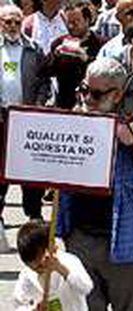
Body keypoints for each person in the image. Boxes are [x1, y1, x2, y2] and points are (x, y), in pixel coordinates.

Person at [57, 57, 133, 311]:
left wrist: (132, 143)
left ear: (118, 94)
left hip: (128, 242)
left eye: (96, 94)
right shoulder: (73, 123)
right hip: (81, 238)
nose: (88, 99)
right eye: (84, 90)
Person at [0, 4, 51, 226]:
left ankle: (34, 213)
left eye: (16, 22)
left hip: (27, 117)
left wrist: (37, 106)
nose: (12, 26)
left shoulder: (34, 48)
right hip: (1, 117)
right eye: (7, 21)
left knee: (30, 167)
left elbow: (44, 82)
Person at [13, 221, 93, 311]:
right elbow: (19, 303)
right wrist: (33, 309)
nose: (39, 271)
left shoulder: (69, 261)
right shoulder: (27, 274)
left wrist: (62, 269)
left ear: (53, 248)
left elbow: (86, 287)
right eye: (34, 269)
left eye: (40, 266)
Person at [45, 2, 105, 109]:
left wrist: (86, 59)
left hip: (92, 105)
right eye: (68, 23)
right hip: (64, 104)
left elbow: (105, 75)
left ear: (87, 20)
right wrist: (55, 57)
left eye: (76, 22)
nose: (71, 26)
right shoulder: (58, 43)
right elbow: (45, 72)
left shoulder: (101, 44)